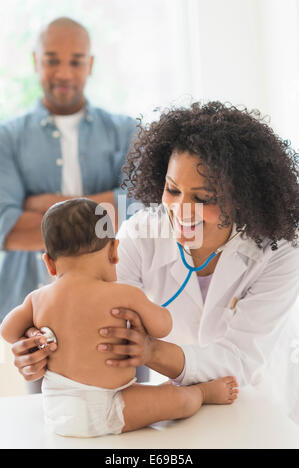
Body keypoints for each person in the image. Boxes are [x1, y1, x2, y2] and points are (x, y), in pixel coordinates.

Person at [11, 102, 299, 424]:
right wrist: (44, 346)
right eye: (172, 190)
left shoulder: (279, 251)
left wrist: (153, 352)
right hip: (180, 404)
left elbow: (241, 357)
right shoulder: (141, 233)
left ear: (243, 198)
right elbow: (92, 310)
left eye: (202, 199)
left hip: (258, 399)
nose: (180, 210)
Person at [0, 198, 239, 437]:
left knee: (152, 394)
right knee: (179, 402)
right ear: (115, 251)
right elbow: (163, 327)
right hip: (112, 403)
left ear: (49, 263)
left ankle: (172, 389)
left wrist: (32, 333)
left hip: (58, 411)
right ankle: (203, 393)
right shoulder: (123, 294)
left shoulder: (37, 298)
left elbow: (7, 331)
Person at [0, 17, 142, 389]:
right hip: (39, 323)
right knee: (51, 427)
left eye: (76, 60)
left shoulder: (127, 131)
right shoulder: (7, 139)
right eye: (51, 59)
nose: (64, 71)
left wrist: (46, 207)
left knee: (133, 412)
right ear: (35, 61)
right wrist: (105, 202)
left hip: (119, 308)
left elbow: (141, 212)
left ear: (90, 65)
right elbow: (8, 228)